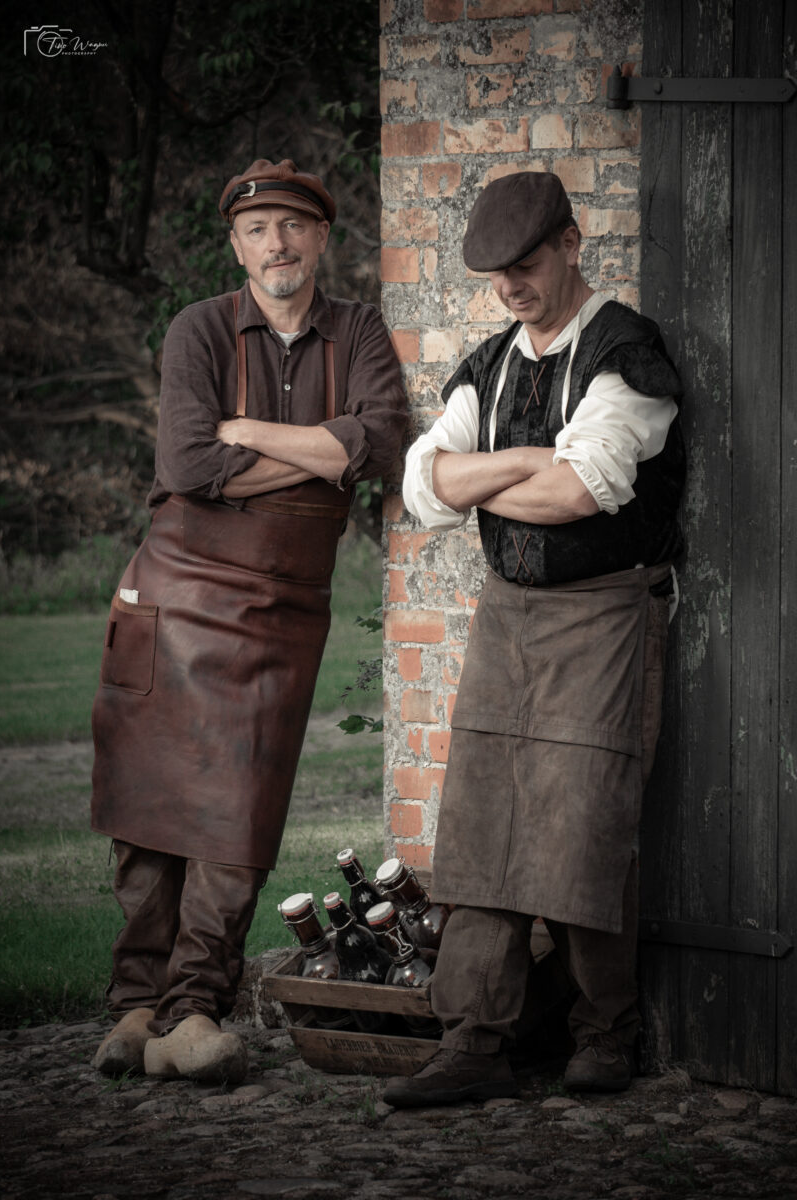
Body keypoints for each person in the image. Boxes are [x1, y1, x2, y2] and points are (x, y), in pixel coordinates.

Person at [90, 158, 408, 1084]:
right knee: (149, 811)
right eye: (260, 228)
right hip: (175, 590)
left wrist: (255, 437)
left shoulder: (358, 331)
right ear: (237, 245)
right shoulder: (196, 329)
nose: (279, 242)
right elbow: (188, 465)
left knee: (239, 813)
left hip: (280, 608)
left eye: (294, 226)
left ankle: (195, 1011)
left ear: (321, 239)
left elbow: (381, 439)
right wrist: (323, 452)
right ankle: (135, 1008)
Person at [386, 170, 685, 1107]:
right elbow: (423, 488)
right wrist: (523, 457)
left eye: (525, 263)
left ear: (571, 241)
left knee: (583, 822)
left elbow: (581, 490)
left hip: (604, 615)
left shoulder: (624, 352)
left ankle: (606, 1032)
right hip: (507, 617)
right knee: (481, 827)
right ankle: (474, 1041)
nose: (511, 285)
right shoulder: (488, 364)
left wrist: (492, 474)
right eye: (496, 273)